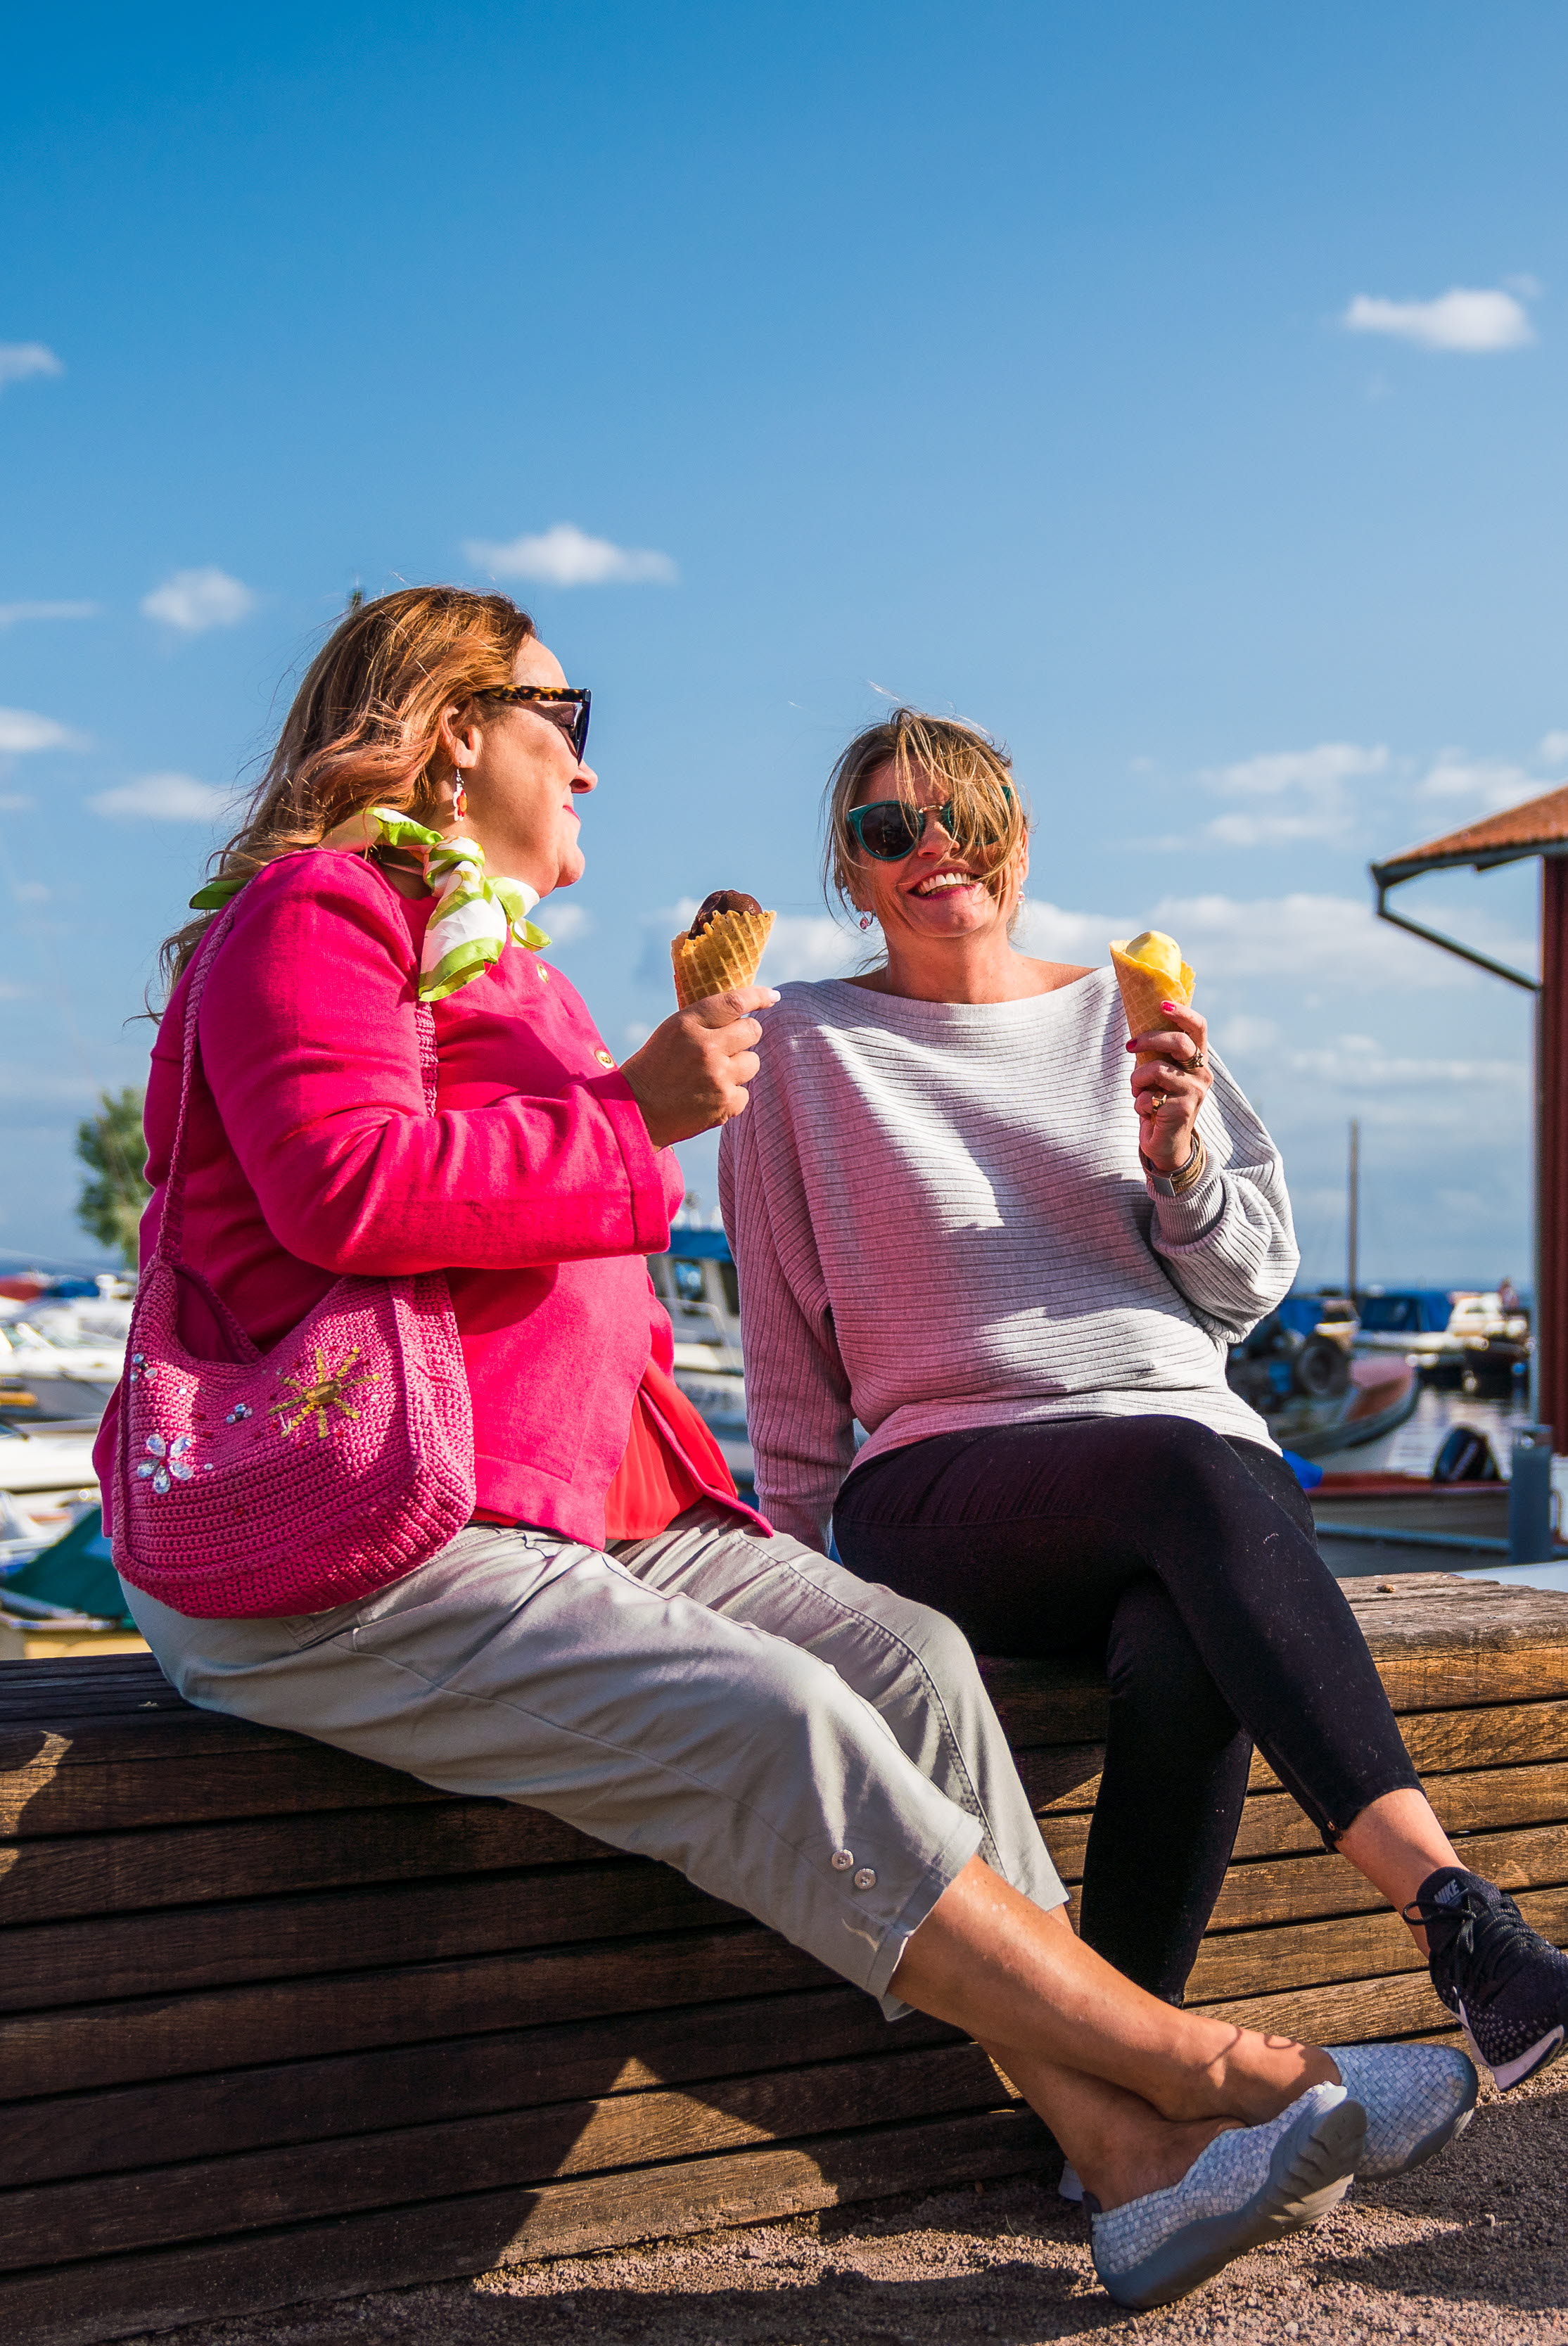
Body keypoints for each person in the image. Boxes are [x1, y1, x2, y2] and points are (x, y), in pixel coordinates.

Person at [101, 594, 1470, 2316]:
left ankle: (1118, 2163)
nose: (589, 764)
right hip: (366, 1534)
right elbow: (345, 1188)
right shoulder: (320, 908)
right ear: (455, 728)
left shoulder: (485, 947)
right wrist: (631, 1117)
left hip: (579, 1503)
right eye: (559, 711)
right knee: (787, 1723)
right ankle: (1211, 2080)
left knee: (907, 1663)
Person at [720, 704, 1568, 2093]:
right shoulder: (795, 1049)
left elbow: (1243, 1287)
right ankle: (1457, 1921)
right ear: (851, 872)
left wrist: (1177, 1159)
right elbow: (781, 1349)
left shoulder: (1123, 1011)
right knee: (1193, 1469)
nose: (935, 850)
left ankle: (1111, 2113)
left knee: (1182, 1638)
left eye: (966, 822)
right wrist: (790, 1576)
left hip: (1181, 1476)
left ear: (1019, 841)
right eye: (890, 829)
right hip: (945, 1486)